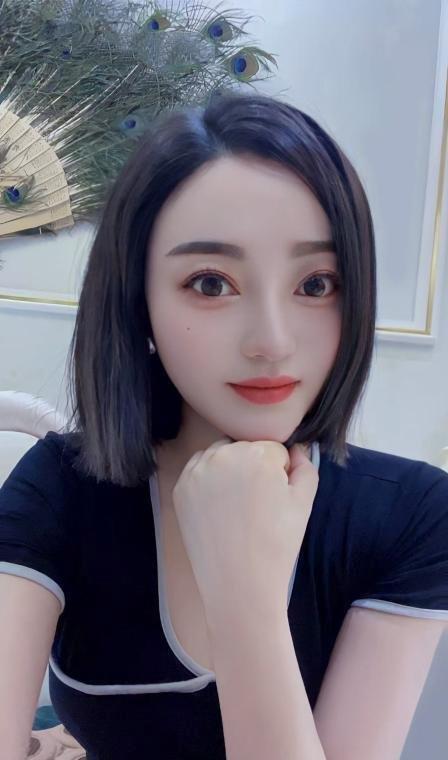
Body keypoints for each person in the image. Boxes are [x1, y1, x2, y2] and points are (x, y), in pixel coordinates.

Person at [1, 92, 447, 760]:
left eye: (316, 284)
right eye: (211, 284)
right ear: (138, 301)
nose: (271, 342)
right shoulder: (60, 487)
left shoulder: (410, 513)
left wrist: (245, 597)